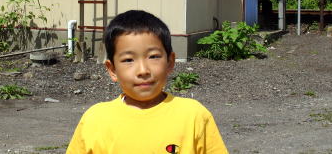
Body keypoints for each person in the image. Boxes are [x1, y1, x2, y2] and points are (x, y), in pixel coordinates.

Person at [66, 10, 228, 153]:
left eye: (154, 57)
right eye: (128, 59)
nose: (143, 70)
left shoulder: (194, 116)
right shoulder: (95, 120)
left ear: (170, 63)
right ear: (112, 69)